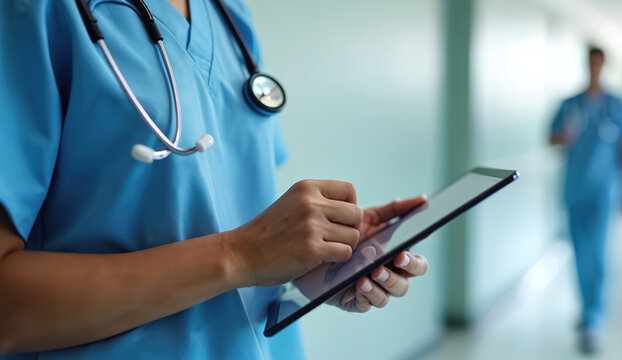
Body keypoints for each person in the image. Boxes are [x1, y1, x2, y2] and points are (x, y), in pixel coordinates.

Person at [0, 0, 429, 358]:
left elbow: (226, 211)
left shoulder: (226, 11)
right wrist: (242, 255)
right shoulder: (33, 12)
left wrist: (315, 260)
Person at [549, 46, 622, 354]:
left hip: (604, 188)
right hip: (575, 187)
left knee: (598, 251)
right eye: (591, 63)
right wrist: (566, 135)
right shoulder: (570, 104)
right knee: (579, 251)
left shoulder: (619, 106)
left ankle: (593, 318)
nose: (595, 68)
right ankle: (587, 307)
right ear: (586, 65)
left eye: (600, 63)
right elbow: (551, 138)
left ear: (605, 66)